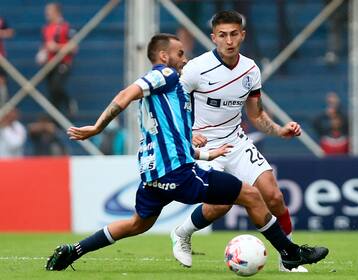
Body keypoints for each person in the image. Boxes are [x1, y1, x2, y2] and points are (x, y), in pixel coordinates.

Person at [45, 33, 328, 272]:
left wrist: (207, 155)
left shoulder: (167, 98)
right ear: (164, 56)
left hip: (154, 176)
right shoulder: (164, 75)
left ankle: (76, 249)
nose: (185, 58)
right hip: (178, 173)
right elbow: (126, 94)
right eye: (180, 53)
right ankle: (290, 254)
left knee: (136, 224)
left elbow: (172, 139)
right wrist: (97, 126)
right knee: (252, 195)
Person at [170, 10, 308, 272]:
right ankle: (181, 233)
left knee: (274, 196)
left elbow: (255, 114)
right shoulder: (195, 69)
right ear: (213, 38)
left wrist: (279, 130)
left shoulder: (251, 70)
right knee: (220, 205)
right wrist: (187, 134)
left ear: (242, 35)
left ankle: (288, 258)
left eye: (234, 34)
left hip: (235, 141)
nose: (229, 40)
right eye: (222, 35)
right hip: (205, 147)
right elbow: (172, 107)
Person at [38, 2, 77, 116]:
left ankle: (69, 102)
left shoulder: (65, 27)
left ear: (57, 12)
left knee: (57, 87)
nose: (46, 14)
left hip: (62, 62)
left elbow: (73, 47)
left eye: (49, 11)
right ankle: (55, 119)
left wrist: (57, 47)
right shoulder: (46, 28)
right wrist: (42, 53)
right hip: (49, 64)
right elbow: (44, 45)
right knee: (51, 93)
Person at [0, 16, 14, 106]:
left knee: (2, 80)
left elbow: (10, 32)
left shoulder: (1, 20)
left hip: (1, 57)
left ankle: (3, 107)